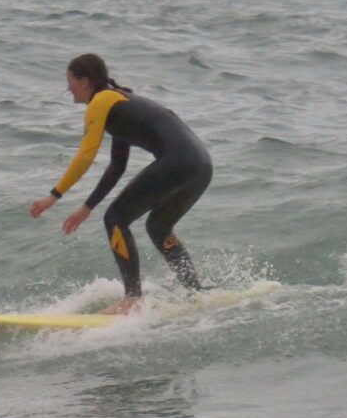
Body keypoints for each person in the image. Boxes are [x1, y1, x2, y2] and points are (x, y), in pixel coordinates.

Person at [30, 54, 213, 315]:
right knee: (158, 228)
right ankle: (195, 292)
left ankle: (132, 298)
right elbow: (117, 167)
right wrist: (86, 207)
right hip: (200, 166)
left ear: (84, 81)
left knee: (115, 218)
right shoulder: (118, 103)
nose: (68, 88)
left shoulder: (101, 101)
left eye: (70, 81)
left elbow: (86, 154)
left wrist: (53, 196)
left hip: (179, 162)